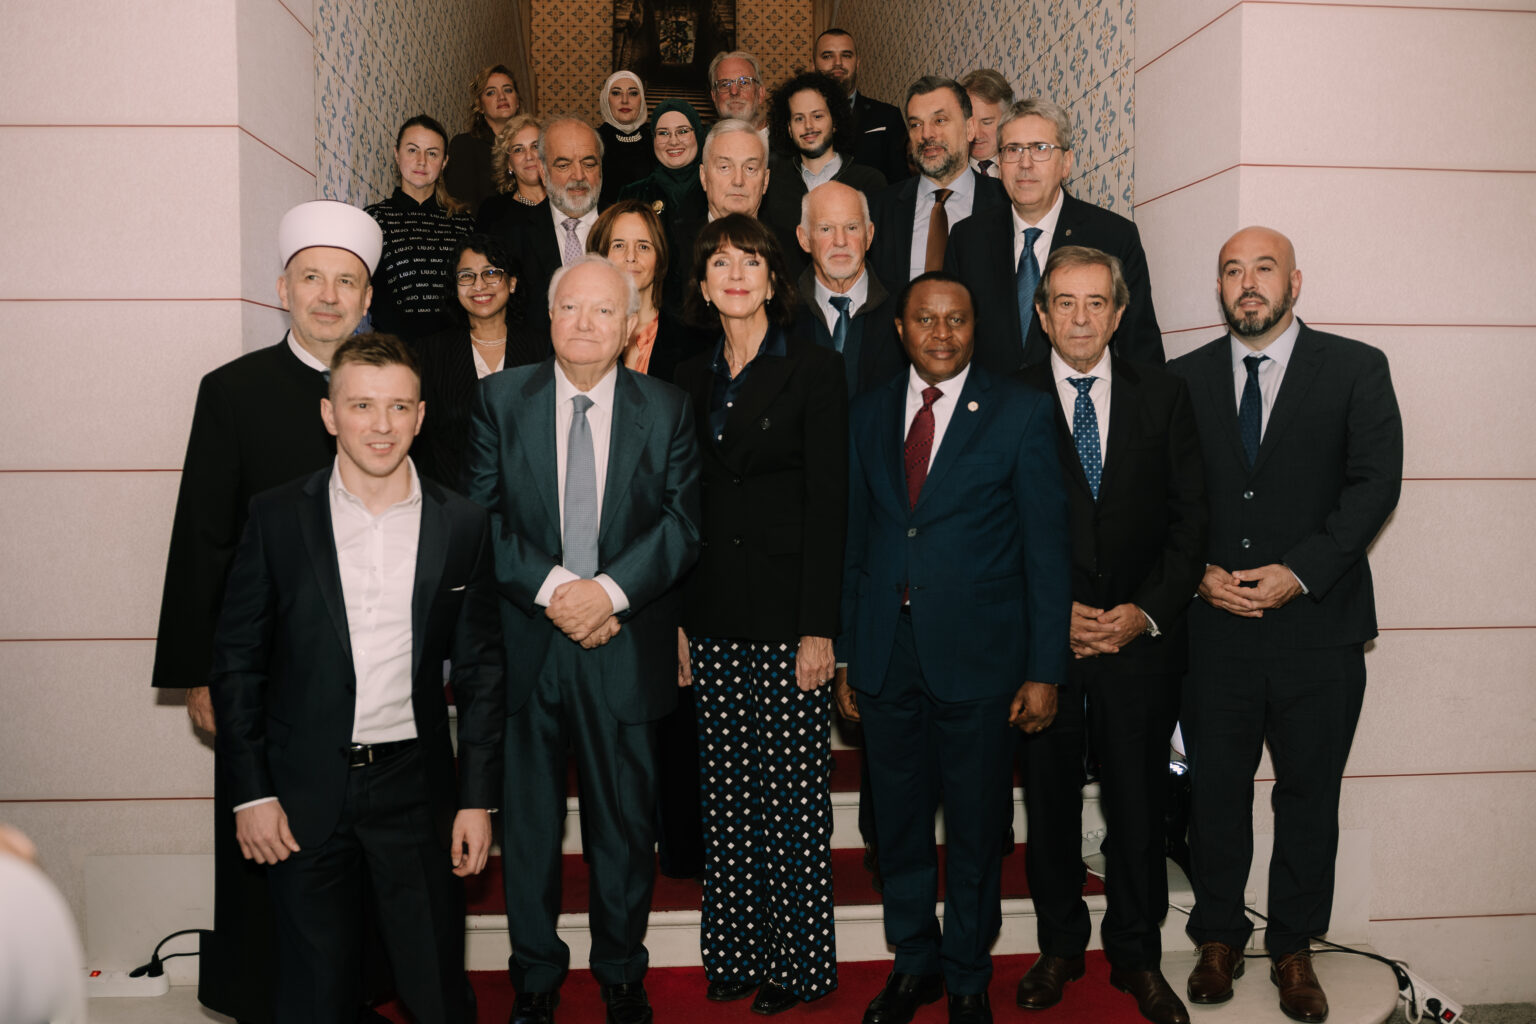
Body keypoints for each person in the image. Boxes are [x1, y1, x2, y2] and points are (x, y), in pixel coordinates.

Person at [209, 333, 504, 1024]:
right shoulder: (277, 516)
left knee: (435, 990)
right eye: (362, 405)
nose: (381, 424)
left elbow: (483, 671)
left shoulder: (462, 523)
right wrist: (252, 792)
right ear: (329, 413)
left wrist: (478, 800)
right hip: (302, 790)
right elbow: (237, 661)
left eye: (398, 406)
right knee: (314, 995)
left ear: (421, 416)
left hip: (414, 786)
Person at [150, 199, 383, 1024]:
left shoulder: (390, 389)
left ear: (367, 297)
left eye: (346, 282)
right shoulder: (234, 392)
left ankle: (354, 996)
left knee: (356, 846)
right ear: (283, 290)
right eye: (312, 279)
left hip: (367, 666)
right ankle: (262, 1002)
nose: (328, 296)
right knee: (264, 842)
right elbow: (203, 536)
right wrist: (199, 673)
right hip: (260, 670)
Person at [1169, 227, 1402, 1024]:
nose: (1247, 283)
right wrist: (1197, 572)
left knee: (1309, 796)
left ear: (1294, 282)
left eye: (1263, 268)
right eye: (1232, 270)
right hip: (1213, 629)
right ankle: (1218, 938)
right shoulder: (1182, 380)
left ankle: (1295, 946)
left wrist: (1298, 573)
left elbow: (1374, 485)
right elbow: (1165, 496)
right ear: (1219, 287)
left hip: (1319, 629)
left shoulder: (1356, 368)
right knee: (1214, 794)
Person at [466, 256, 702, 1024]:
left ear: (631, 325)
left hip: (621, 643)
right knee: (530, 827)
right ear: (549, 316)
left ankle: (621, 972)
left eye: (604, 311)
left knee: (624, 825)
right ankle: (535, 978)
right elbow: (479, 518)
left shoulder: (667, 407)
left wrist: (605, 594)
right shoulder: (499, 400)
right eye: (571, 308)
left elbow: (681, 525)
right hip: (528, 644)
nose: (586, 324)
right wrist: (554, 591)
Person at [838, 273, 1070, 1024]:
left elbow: (1047, 553)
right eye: (925, 319)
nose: (941, 333)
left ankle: (968, 974)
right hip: (885, 655)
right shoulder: (868, 413)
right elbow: (855, 542)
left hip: (981, 660)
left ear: (977, 327)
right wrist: (847, 654)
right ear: (900, 329)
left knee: (973, 831)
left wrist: (1044, 670)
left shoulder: (1022, 412)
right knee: (899, 826)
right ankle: (915, 963)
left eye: (957, 319)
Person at [1016, 247, 1206, 1024]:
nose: (1081, 318)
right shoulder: (1010, 399)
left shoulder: (1165, 396)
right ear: (1042, 315)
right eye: (1064, 302)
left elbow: (1191, 524)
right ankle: (1060, 947)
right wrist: (1051, 612)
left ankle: (1136, 955)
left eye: (1096, 303)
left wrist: (1141, 613)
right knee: (1050, 802)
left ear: (1120, 314)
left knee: (1138, 803)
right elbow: (992, 527)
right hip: (1045, 645)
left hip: (1140, 641)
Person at [673, 214, 848, 1014]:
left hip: (787, 619)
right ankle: (736, 952)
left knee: (792, 802)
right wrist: (681, 621)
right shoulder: (689, 376)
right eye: (720, 262)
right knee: (726, 796)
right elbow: (680, 504)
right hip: (712, 613)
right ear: (703, 284)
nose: (735, 273)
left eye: (750, 260)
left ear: (775, 279)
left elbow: (830, 504)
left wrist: (820, 626)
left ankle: (799, 964)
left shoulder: (814, 368)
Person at [945, 97, 1163, 371]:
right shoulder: (967, 239)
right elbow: (949, 342)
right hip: (988, 398)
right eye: (1013, 150)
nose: (1025, 163)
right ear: (1000, 163)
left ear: (1066, 163)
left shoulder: (1114, 237)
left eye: (1040, 148)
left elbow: (1142, 353)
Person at [416, 234, 541, 491]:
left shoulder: (543, 349)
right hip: (453, 499)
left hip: (529, 499)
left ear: (512, 283)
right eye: (466, 276)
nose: (479, 285)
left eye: (491, 273)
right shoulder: (428, 353)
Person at [867, 76, 1009, 291]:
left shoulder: (1007, 204)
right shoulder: (877, 210)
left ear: (970, 128)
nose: (926, 134)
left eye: (940, 120)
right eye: (916, 124)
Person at [761, 71, 887, 282]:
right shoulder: (772, 184)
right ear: (789, 129)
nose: (809, 126)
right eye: (799, 118)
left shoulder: (870, 182)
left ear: (834, 121)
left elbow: (882, 256)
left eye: (817, 116)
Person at [366, 115, 475, 345]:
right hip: (396, 351)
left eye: (432, 153)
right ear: (397, 154)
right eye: (412, 150)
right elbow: (374, 295)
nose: (421, 161)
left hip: (456, 350)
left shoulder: (464, 224)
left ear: (444, 162)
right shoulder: (374, 219)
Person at [792, 181, 904, 396]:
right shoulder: (780, 314)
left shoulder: (905, 308)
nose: (840, 241)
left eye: (851, 228)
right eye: (826, 229)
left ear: (869, 235)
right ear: (804, 239)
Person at [587, 199, 705, 383]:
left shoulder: (692, 344)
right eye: (619, 245)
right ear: (601, 256)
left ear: (659, 259)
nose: (631, 257)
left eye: (643, 246)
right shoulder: (583, 334)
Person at [514, 117, 607, 345]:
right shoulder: (514, 234)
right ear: (543, 172)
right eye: (564, 165)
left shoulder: (624, 228)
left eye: (589, 164)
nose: (579, 176)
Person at [620, 98, 709, 319]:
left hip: (710, 315)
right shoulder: (632, 194)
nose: (673, 141)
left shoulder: (716, 189)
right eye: (663, 133)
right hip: (649, 316)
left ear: (698, 134)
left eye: (683, 131)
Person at [812, 28, 909, 184]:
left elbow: (902, 185)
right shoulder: (796, 123)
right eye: (828, 56)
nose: (838, 63)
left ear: (857, 63)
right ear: (813, 65)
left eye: (846, 55)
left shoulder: (888, 117)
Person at [446, 64, 521, 214]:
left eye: (508, 90)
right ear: (480, 106)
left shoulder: (532, 148)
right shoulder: (464, 146)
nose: (501, 97)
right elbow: (460, 207)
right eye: (491, 92)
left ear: (517, 101)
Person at [475, 114, 546, 249]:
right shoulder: (492, 211)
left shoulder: (567, 202)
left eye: (535, 146)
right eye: (518, 149)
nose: (529, 156)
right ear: (509, 164)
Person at [598, 71, 655, 207]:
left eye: (633, 93)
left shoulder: (656, 140)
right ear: (606, 99)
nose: (625, 100)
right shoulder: (592, 140)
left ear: (642, 100)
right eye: (616, 93)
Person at [958, 69, 1013, 178]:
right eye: (969, 123)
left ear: (1006, 120)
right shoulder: (948, 174)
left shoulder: (1025, 166)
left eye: (986, 122)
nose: (976, 135)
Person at [708, 50, 769, 139]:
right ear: (714, 96)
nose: (734, 92)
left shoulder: (783, 144)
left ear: (760, 93)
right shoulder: (704, 143)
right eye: (725, 84)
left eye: (744, 83)